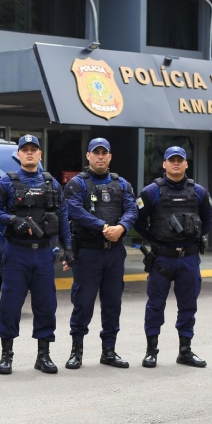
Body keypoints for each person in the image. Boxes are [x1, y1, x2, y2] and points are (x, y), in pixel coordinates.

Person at [0, 134, 73, 375]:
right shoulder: (7, 183)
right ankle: (6, 356)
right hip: (17, 253)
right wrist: (12, 219)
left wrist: (68, 249)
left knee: (46, 305)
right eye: (25, 149)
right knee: (11, 305)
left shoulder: (52, 183)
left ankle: (43, 356)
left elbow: (64, 216)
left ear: (40, 154)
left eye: (33, 149)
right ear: (19, 154)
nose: (29, 153)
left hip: (44, 254)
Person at [135, 146, 212, 368]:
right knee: (155, 305)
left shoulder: (198, 192)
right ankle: (151, 351)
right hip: (161, 258)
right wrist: (155, 237)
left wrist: (193, 237)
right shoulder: (151, 192)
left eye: (180, 160)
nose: (176, 163)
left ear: (186, 164)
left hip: (188, 258)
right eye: (172, 160)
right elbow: (139, 221)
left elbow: (208, 221)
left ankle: (185, 351)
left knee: (188, 305)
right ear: (164, 164)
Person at [63, 138, 137, 369]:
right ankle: (77, 351)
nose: (100, 157)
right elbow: (74, 210)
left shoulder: (122, 184)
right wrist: (103, 227)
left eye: (105, 153)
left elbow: (132, 209)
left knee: (113, 303)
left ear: (110, 157)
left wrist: (122, 227)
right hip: (88, 253)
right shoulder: (77, 184)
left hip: (114, 253)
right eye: (96, 153)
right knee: (83, 302)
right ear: (88, 156)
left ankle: (109, 351)